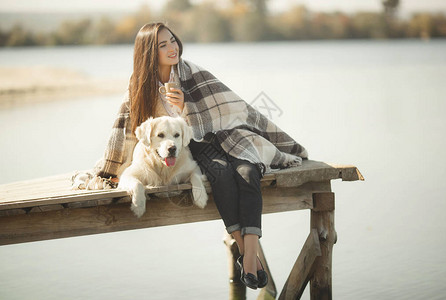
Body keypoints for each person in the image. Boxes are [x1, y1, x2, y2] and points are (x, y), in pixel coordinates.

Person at [96, 22, 308, 290]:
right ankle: (247, 255)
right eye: (163, 45)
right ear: (149, 52)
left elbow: (223, 106)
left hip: (223, 135)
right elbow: (127, 127)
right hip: (195, 147)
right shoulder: (139, 86)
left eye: (172, 41)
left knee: (248, 171)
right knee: (221, 174)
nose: (172, 48)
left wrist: (186, 105)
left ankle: (250, 257)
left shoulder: (190, 72)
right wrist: (114, 165)